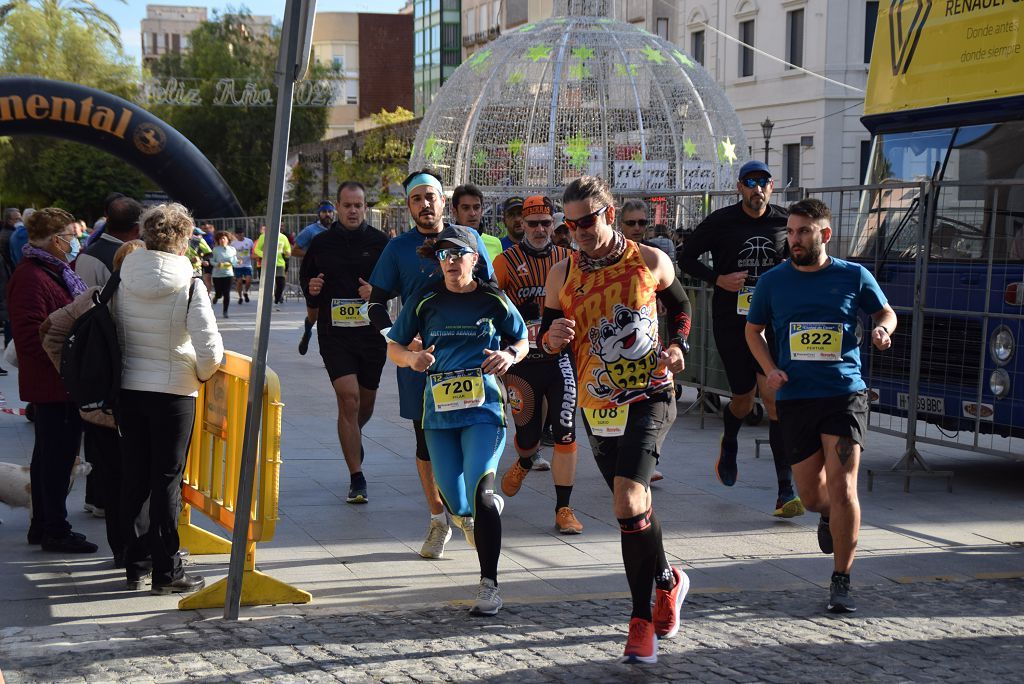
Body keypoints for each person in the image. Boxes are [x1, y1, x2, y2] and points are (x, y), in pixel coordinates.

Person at [539, 176, 692, 663]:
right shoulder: (561, 273)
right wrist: (552, 338)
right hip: (598, 401)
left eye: (587, 220)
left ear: (607, 212)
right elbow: (545, 336)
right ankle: (668, 580)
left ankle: (639, 621)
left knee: (627, 497)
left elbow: (681, 306)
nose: (578, 230)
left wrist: (678, 345)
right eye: (571, 223)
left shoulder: (648, 260)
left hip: (650, 392)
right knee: (634, 504)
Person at [745, 198, 896, 614]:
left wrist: (882, 330)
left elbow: (886, 311)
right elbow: (752, 330)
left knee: (845, 484)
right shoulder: (773, 281)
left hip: (844, 392)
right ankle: (829, 515)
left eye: (802, 232)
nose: (793, 239)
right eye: (790, 232)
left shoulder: (853, 275)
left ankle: (841, 578)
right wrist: (770, 369)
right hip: (795, 396)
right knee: (813, 496)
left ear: (824, 234)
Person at [386, 224, 528, 615]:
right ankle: (475, 514)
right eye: (444, 255)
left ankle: (489, 584)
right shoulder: (424, 299)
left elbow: (522, 338)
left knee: (482, 491)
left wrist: (510, 356)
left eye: (458, 254)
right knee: (455, 499)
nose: (450, 262)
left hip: (484, 411)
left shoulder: (492, 299)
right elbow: (394, 346)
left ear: (474, 259)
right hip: (439, 415)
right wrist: (411, 359)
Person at [365, 169, 495, 559]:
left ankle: (468, 511)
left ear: (444, 201)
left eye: (431, 197)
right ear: (408, 206)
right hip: (423, 363)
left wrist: (499, 345)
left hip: (470, 360)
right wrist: (397, 337)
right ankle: (439, 519)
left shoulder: (469, 239)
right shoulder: (398, 248)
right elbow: (375, 303)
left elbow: (492, 293)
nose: (425, 204)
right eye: (416, 198)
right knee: (426, 443)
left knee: (472, 434)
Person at [679, 159, 803, 518]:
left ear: (772, 186)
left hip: (772, 323)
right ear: (739, 188)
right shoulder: (721, 221)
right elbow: (686, 257)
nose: (757, 189)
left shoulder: (785, 220)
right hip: (732, 321)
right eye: (750, 182)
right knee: (744, 400)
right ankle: (730, 437)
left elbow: (801, 257)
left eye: (763, 182)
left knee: (774, 399)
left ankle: (785, 491)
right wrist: (718, 278)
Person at [114, 203, 223, 594]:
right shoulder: (190, 283)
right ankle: (167, 570)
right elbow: (210, 351)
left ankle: (135, 563)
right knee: (166, 479)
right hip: (174, 391)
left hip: (129, 387)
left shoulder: (123, 276)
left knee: (135, 476)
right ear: (184, 237)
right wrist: (199, 373)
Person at [41, 239, 146, 567]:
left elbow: (50, 331)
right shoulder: (147, 300)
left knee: (113, 484)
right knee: (140, 483)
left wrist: (75, 378)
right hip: (138, 408)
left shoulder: (93, 296)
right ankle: (140, 553)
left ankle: (123, 551)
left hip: (98, 410)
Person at [8, 207, 97, 553]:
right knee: (57, 461)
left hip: (59, 381)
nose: (75, 243)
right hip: (54, 383)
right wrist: (70, 357)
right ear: (57, 240)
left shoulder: (53, 270)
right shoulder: (32, 276)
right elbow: (31, 337)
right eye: (72, 237)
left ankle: (43, 524)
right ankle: (55, 529)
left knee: (50, 457)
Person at [492, 195, 581, 533]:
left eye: (546, 223)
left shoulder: (569, 258)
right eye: (533, 224)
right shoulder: (506, 261)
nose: (541, 229)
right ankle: (526, 458)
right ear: (521, 226)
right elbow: (489, 302)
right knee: (528, 435)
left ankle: (564, 508)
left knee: (565, 430)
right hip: (523, 362)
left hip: (561, 359)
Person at [300, 182, 389, 504]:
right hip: (334, 333)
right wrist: (312, 288)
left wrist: (376, 293)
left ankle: (352, 433)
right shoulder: (321, 243)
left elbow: (394, 286)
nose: (353, 210)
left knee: (365, 405)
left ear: (366, 208)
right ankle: (357, 476)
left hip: (371, 334)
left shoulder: (380, 243)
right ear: (337, 207)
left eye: (358, 205)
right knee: (348, 399)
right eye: (347, 205)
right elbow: (307, 282)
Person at [73, 196, 142, 547]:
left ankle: (100, 501)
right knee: (114, 452)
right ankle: (102, 502)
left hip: (97, 369)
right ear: (134, 228)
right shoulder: (128, 260)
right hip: (112, 371)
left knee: (103, 445)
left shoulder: (87, 256)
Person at [295, 201, 338, 354]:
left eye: (330, 211)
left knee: (330, 317)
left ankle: (329, 352)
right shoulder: (311, 231)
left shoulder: (339, 228)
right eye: (324, 211)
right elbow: (295, 250)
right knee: (314, 317)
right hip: (314, 278)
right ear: (319, 214)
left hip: (334, 278)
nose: (327, 214)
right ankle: (307, 332)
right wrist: (313, 256)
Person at [452, 184, 503, 260]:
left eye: (476, 207)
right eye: (466, 208)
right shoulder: (447, 243)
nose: (472, 213)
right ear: (455, 212)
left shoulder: (495, 243)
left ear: (481, 210)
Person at [254, 226, 292, 308]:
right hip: (267, 264)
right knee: (267, 284)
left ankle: (276, 300)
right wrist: (265, 255)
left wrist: (287, 253)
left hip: (280, 263)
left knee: (281, 283)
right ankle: (267, 302)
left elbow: (288, 249)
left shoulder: (283, 237)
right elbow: (257, 249)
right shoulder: (263, 236)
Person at [209, 231, 237, 318]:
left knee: (226, 293)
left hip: (228, 274)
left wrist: (234, 262)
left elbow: (235, 262)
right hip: (217, 275)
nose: (222, 240)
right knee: (219, 293)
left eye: (223, 238)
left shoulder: (232, 249)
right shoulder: (215, 249)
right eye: (220, 239)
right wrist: (217, 264)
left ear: (228, 240)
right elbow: (211, 261)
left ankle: (225, 311)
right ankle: (216, 297)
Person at [231, 229, 254, 304]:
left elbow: (252, 251)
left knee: (248, 280)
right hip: (238, 265)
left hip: (247, 264)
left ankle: (245, 292)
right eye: (238, 235)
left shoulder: (249, 241)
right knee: (239, 282)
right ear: (235, 235)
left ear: (243, 234)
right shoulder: (233, 243)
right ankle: (240, 297)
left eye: (241, 234)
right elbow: (231, 253)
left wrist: (252, 256)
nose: (240, 236)